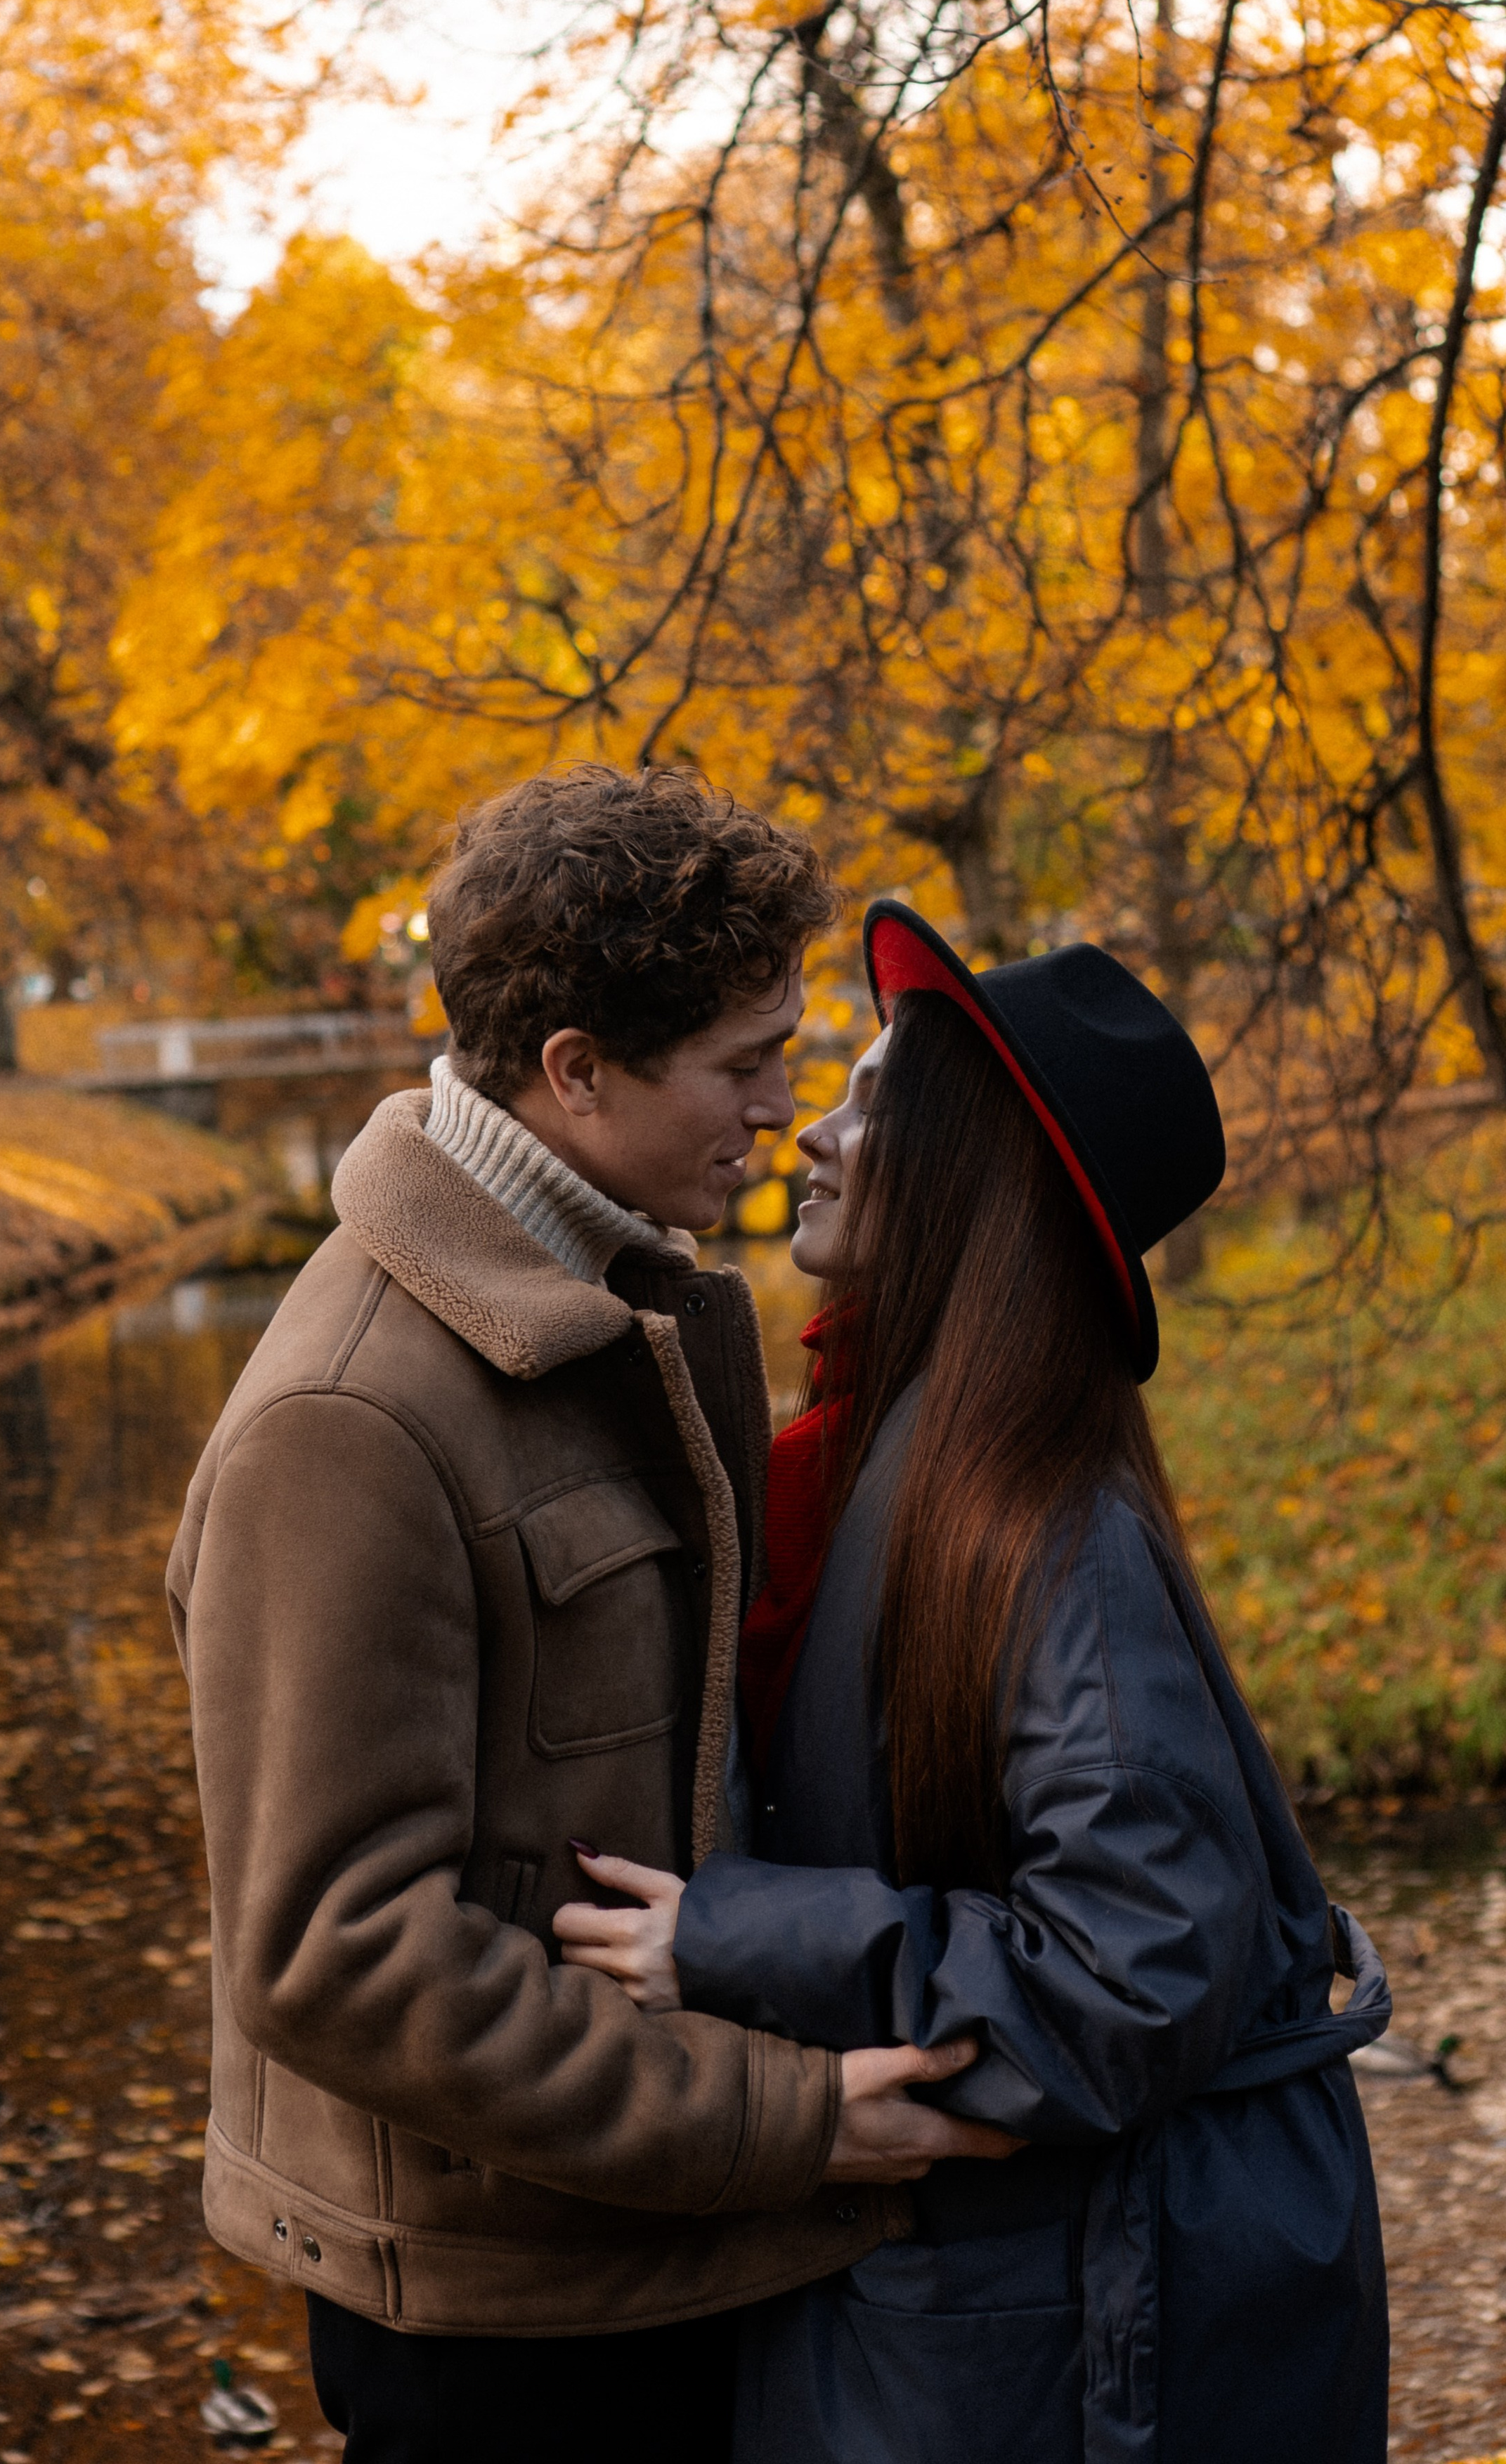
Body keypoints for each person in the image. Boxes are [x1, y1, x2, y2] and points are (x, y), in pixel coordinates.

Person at [167, 783, 1015, 2464]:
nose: (781, 1107)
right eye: (741, 1063)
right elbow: (336, 1953)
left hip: (654, 2257)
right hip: (506, 2328)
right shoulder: (349, 1419)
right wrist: (780, 2116)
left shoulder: (617, 1292)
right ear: (573, 1071)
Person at [556, 899, 1392, 2464]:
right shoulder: (900, 1452)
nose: (813, 1132)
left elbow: (1131, 1973)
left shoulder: (1044, 1530)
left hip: (1056, 2352)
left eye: (872, 1105)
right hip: (974, 2312)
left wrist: (732, 1940)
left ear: (976, 1172)